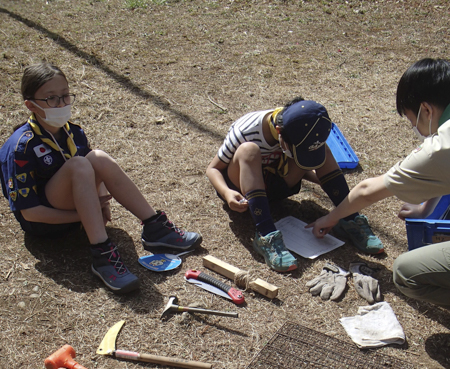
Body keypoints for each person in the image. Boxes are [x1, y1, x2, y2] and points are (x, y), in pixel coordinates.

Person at [0, 61, 202, 294]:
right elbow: (30, 213)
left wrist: (100, 198)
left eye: (65, 95)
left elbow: (92, 173)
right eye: (52, 98)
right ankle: (102, 255)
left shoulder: (73, 132)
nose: (62, 103)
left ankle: (155, 228)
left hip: (81, 212)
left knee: (98, 157)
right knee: (79, 164)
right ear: (31, 104)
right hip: (44, 226)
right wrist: (86, 214)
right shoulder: (20, 148)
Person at [308, 58, 450, 308]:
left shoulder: (438, 148)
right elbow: (442, 175)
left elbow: (367, 191)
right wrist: (424, 209)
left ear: (426, 110)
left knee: (406, 272)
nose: (415, 128)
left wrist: (331, 218)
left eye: (411, 119)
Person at [206, 97, 383, 272]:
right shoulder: (245, 131)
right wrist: (226, 193)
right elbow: (213, 169)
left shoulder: (303, 128)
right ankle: (265, 235)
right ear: (278, 132)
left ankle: (349, 217)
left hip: (275, 185)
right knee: (248, 150)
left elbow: (304, 163)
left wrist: (329, 182)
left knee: (321, 149)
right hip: (242, 190)